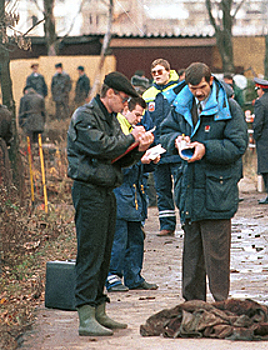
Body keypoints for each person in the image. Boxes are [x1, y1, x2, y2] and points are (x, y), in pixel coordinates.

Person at [67, 71, 156, 336]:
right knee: (90, 252)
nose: (126, 105)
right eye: (124, 99)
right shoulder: (84, 116)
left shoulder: (111, 119)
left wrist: (137, 150)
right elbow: (103, 147)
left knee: (104, 252)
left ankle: (98, 308)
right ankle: (85, 314)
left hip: (107, 190)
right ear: (110, 95)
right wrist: (131, 139)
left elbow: (117, 157)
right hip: (89, 190)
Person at [158, 62, 248, 302]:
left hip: (217, 191)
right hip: (189, 190)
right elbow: (164, 132)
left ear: (210, 81)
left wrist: (205, 148)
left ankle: (221, 303)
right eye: (191, 87)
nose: (197, 92)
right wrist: (176, 141)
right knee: (192, 256)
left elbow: (238, 146)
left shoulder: (229, 108)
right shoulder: (181, 105)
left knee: (217, 257)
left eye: (200, 87)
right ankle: (193, 305)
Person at [106, 96, 159, 292]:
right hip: (120, 193)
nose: (139, 120)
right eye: (137, 115)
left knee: (136, 237)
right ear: (126, 109)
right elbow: (119, 164)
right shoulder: (118, 132)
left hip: (135, 194)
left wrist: (149, 161)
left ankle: (134, 276)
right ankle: (112, 277)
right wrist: (139, 159)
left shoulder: (132, 131)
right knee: (118, 238)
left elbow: (135, 168)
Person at [143, 58, 181, 236]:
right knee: (161, 188)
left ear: (168, 71)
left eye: (160, 71)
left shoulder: (179, 90)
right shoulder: (147, 94)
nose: (157, 75)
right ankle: (166, 224)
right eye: (154, 73)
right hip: (156, 149)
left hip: (175, 147)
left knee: (181, 186)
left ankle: (188, 222)